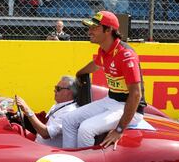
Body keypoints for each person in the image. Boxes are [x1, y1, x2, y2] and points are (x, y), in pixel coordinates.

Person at [62, 11, 146, 149]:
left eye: (94, 28)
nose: (89, 31)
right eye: (89, 28)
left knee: (86, 129)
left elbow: (136, 95)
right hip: (111, 100)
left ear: (108, 30)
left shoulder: (126, 55)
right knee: (68, 120)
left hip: (131, 109)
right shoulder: (104, 50)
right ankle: (70, 160)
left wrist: (119, 130)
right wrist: (79, 73)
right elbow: (95, 65)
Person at [15, 76, 78, 147]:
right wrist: (24, 117)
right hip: (39, 143)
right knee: (14, 129)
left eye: (58, 88)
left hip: (46, 152)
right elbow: (45, 122)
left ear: (69, 92)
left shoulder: (69, 112)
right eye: (55, 87)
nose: (55, 90)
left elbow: (46, 134)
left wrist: (28, 111)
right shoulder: (60, 105)